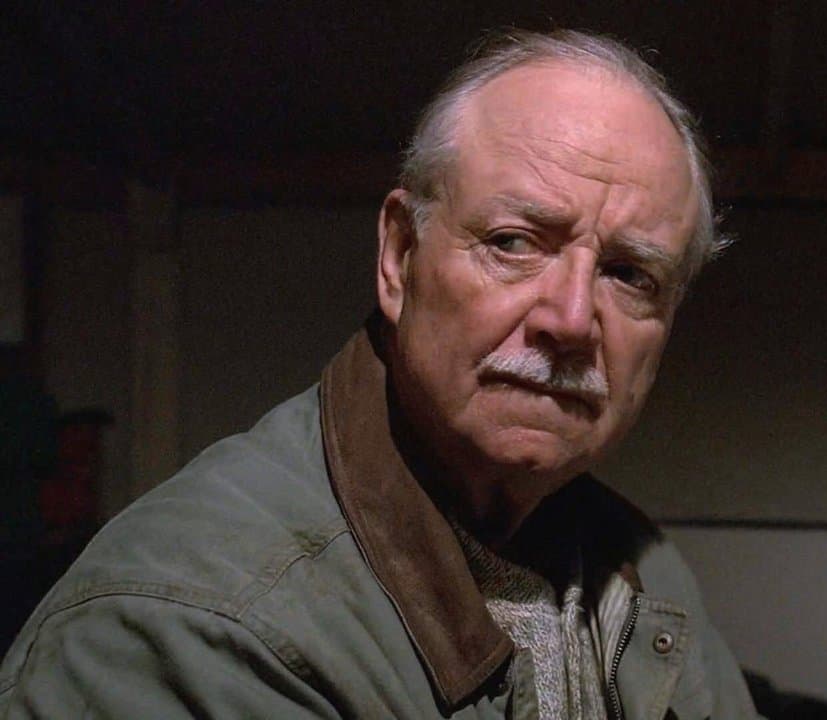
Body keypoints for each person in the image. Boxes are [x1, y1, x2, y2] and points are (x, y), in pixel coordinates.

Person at [0, 29, 761, 719]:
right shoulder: (190, 626)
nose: (569, 318)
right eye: (514, 242)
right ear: (400, 257)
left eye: (629, 275)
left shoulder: (642, 570)